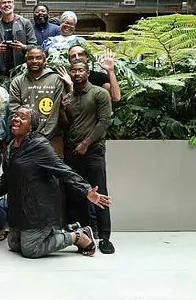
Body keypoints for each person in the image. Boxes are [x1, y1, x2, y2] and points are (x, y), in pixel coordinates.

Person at [0, 106, 112, 258]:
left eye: (22, 118)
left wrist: (86, 190)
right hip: (20, 211)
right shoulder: (12, 146)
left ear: (31, 127)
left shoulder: (40, 145)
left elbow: (63, 170)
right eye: (15, 116)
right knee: (14, 245)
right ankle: (62, 231)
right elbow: (6, 179)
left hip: (39, 211)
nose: (16, 119)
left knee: (31, 249)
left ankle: (78, 236)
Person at [63, 61, 115, 254]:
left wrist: (86, 143)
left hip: (93, 151)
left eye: (80, 70)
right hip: (72, 151)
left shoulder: (99, 93)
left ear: (87, 72)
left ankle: (105, 237)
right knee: (78, 193)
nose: (77, 73)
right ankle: (86, 235)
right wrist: (63, 109)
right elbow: (68, 124)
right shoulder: (69, 97)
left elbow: (105, 121)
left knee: (99, 191)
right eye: (74, 70)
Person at [9, 47, 69, 139]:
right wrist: (25, 133)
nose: (34, 61)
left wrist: (44, 136)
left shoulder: (56, 79)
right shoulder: (17, 81)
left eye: (38, 58)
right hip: (24, 137)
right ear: (26, 61)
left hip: (52, 137)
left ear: (44, 61)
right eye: (30, 58)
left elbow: (56, 111)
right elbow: (14, 111)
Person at [0, 0, 37, 77]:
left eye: (9, 2)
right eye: (4, 3)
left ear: (13, 5)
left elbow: (34, 46)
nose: (7, 5)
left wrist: (23, 47)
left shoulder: (25, 23)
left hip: (22, 71)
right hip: (1, 72)